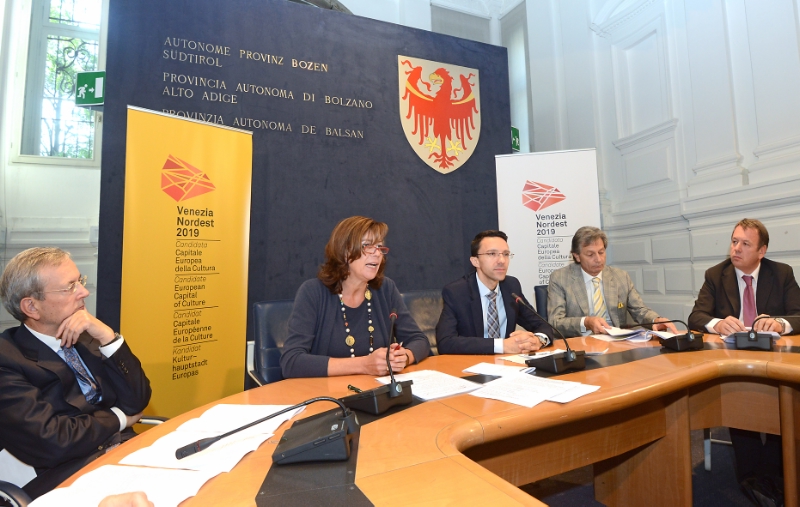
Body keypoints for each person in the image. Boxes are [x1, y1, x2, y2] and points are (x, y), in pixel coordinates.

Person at [0, 248, 151, 500]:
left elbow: (137, 400)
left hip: (124, 452)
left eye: (80, 281)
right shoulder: (7, 359)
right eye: (70, 287)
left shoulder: (86, 335)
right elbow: (53, 440)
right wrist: (119, 418)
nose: (84, 292)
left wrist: (108, 337)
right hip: (68, 477)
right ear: (31, 307)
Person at [688, 218, 799, 506]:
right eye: (734, 241)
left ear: (762, 251)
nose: (736, 248)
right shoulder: (716, 274)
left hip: (773, 358)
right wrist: (716, 323)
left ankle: (773, 476)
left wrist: (780, 323)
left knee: (780, 404)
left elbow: (799, 314)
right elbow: (696, 316)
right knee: (739, 401)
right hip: (733, 359)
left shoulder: (781, 273)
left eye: (745, 244)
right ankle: (753, 478)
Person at [280, 216, 430, 378]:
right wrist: (364, 365)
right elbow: (291, 362)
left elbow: (419, 340)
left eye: (380, 247)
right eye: (368, 246)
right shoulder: (313, 292)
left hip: (376, 389)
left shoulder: (385, 289)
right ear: (344, 251)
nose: (377, 253)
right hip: (327, 391)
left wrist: (404, 357)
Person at [435, 230, 553, 354]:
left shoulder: (511, 286)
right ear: (475, 261)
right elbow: (445, 342)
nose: (502, 260)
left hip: (507, 362)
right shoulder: (457, 292)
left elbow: (542, 325)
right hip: (472, 362)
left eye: (506, 254)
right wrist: (501, 346)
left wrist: (538, 340)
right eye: (492, 254)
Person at [548, 226, 678, 337]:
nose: (598, 259)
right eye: (590, 254)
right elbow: (555, 322)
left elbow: (640, 310)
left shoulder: (620, 277)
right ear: (577, 256)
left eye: (601, 252)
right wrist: (586, 322)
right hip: (580, 345)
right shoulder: (560, 278)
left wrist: (656, 320)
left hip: (616, 341)